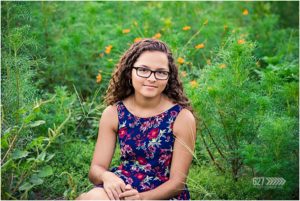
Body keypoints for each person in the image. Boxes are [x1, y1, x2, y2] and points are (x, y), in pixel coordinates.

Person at [77, 38, 196, 200]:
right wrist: (108, 177)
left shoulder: (182, 118)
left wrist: (140, 198)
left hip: (162, 193)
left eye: (160, 72)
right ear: (129, 71)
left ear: (169, 77)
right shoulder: (114, 113)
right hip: (125, 184)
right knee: (89, 198)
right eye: (143, 70)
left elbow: (178, 183)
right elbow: (96, 169)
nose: (152, 78)